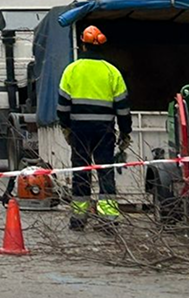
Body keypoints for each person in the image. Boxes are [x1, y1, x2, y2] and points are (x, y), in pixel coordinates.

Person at [57, 25, 131, 231]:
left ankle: (79, 219)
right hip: (104, 131)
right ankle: (108, 219)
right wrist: (125, 131)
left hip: (79, 131)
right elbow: (123, 107)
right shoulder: (111, 71)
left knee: (81, 172)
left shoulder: (72, 70)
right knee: (105, 172)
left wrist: (66, 127)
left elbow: (62, 105)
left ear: (83, 44)